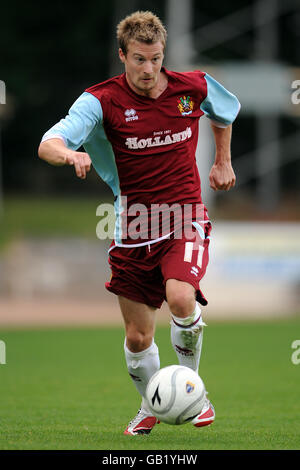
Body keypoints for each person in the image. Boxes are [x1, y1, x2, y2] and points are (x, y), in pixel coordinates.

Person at [38, 11, 240, 436]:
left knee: (182, 299)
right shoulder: (100, 100)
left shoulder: (191, 87)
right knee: (136, 337)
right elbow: (49, 142)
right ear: (122, 56)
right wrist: (71, 154)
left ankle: (194, 393)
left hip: (185, 215)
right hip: (132, 226)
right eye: (139, 60)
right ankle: (153, 403)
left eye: (156, 59)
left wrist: (222, 160)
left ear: (162, 54)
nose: (149, 70)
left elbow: (224, 110)